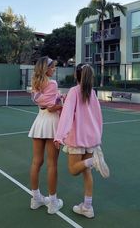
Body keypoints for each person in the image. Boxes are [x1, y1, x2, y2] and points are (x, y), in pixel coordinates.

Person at [54, 63, 109, 218]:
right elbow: (99, 118)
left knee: (73, 170)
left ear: (76, 75)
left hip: (78, 138)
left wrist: (59, 136)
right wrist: (98, 137)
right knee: (86, 173)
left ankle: (93, 161)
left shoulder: (74, 91)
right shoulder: (92, 93)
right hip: (92, 138)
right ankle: (87, 207)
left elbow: (66, 115)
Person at [28, 56, 63, 214]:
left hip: (39, 121)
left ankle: (35, 199)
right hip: (51, 123)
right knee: (52, 164)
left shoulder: (35, 84)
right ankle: (53, 202)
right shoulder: (53, 83)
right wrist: (61, 102)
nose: (54, 69)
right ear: (46, 68)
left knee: (36, 162)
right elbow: (53, 107)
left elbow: (44, 103)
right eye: (52, 66)